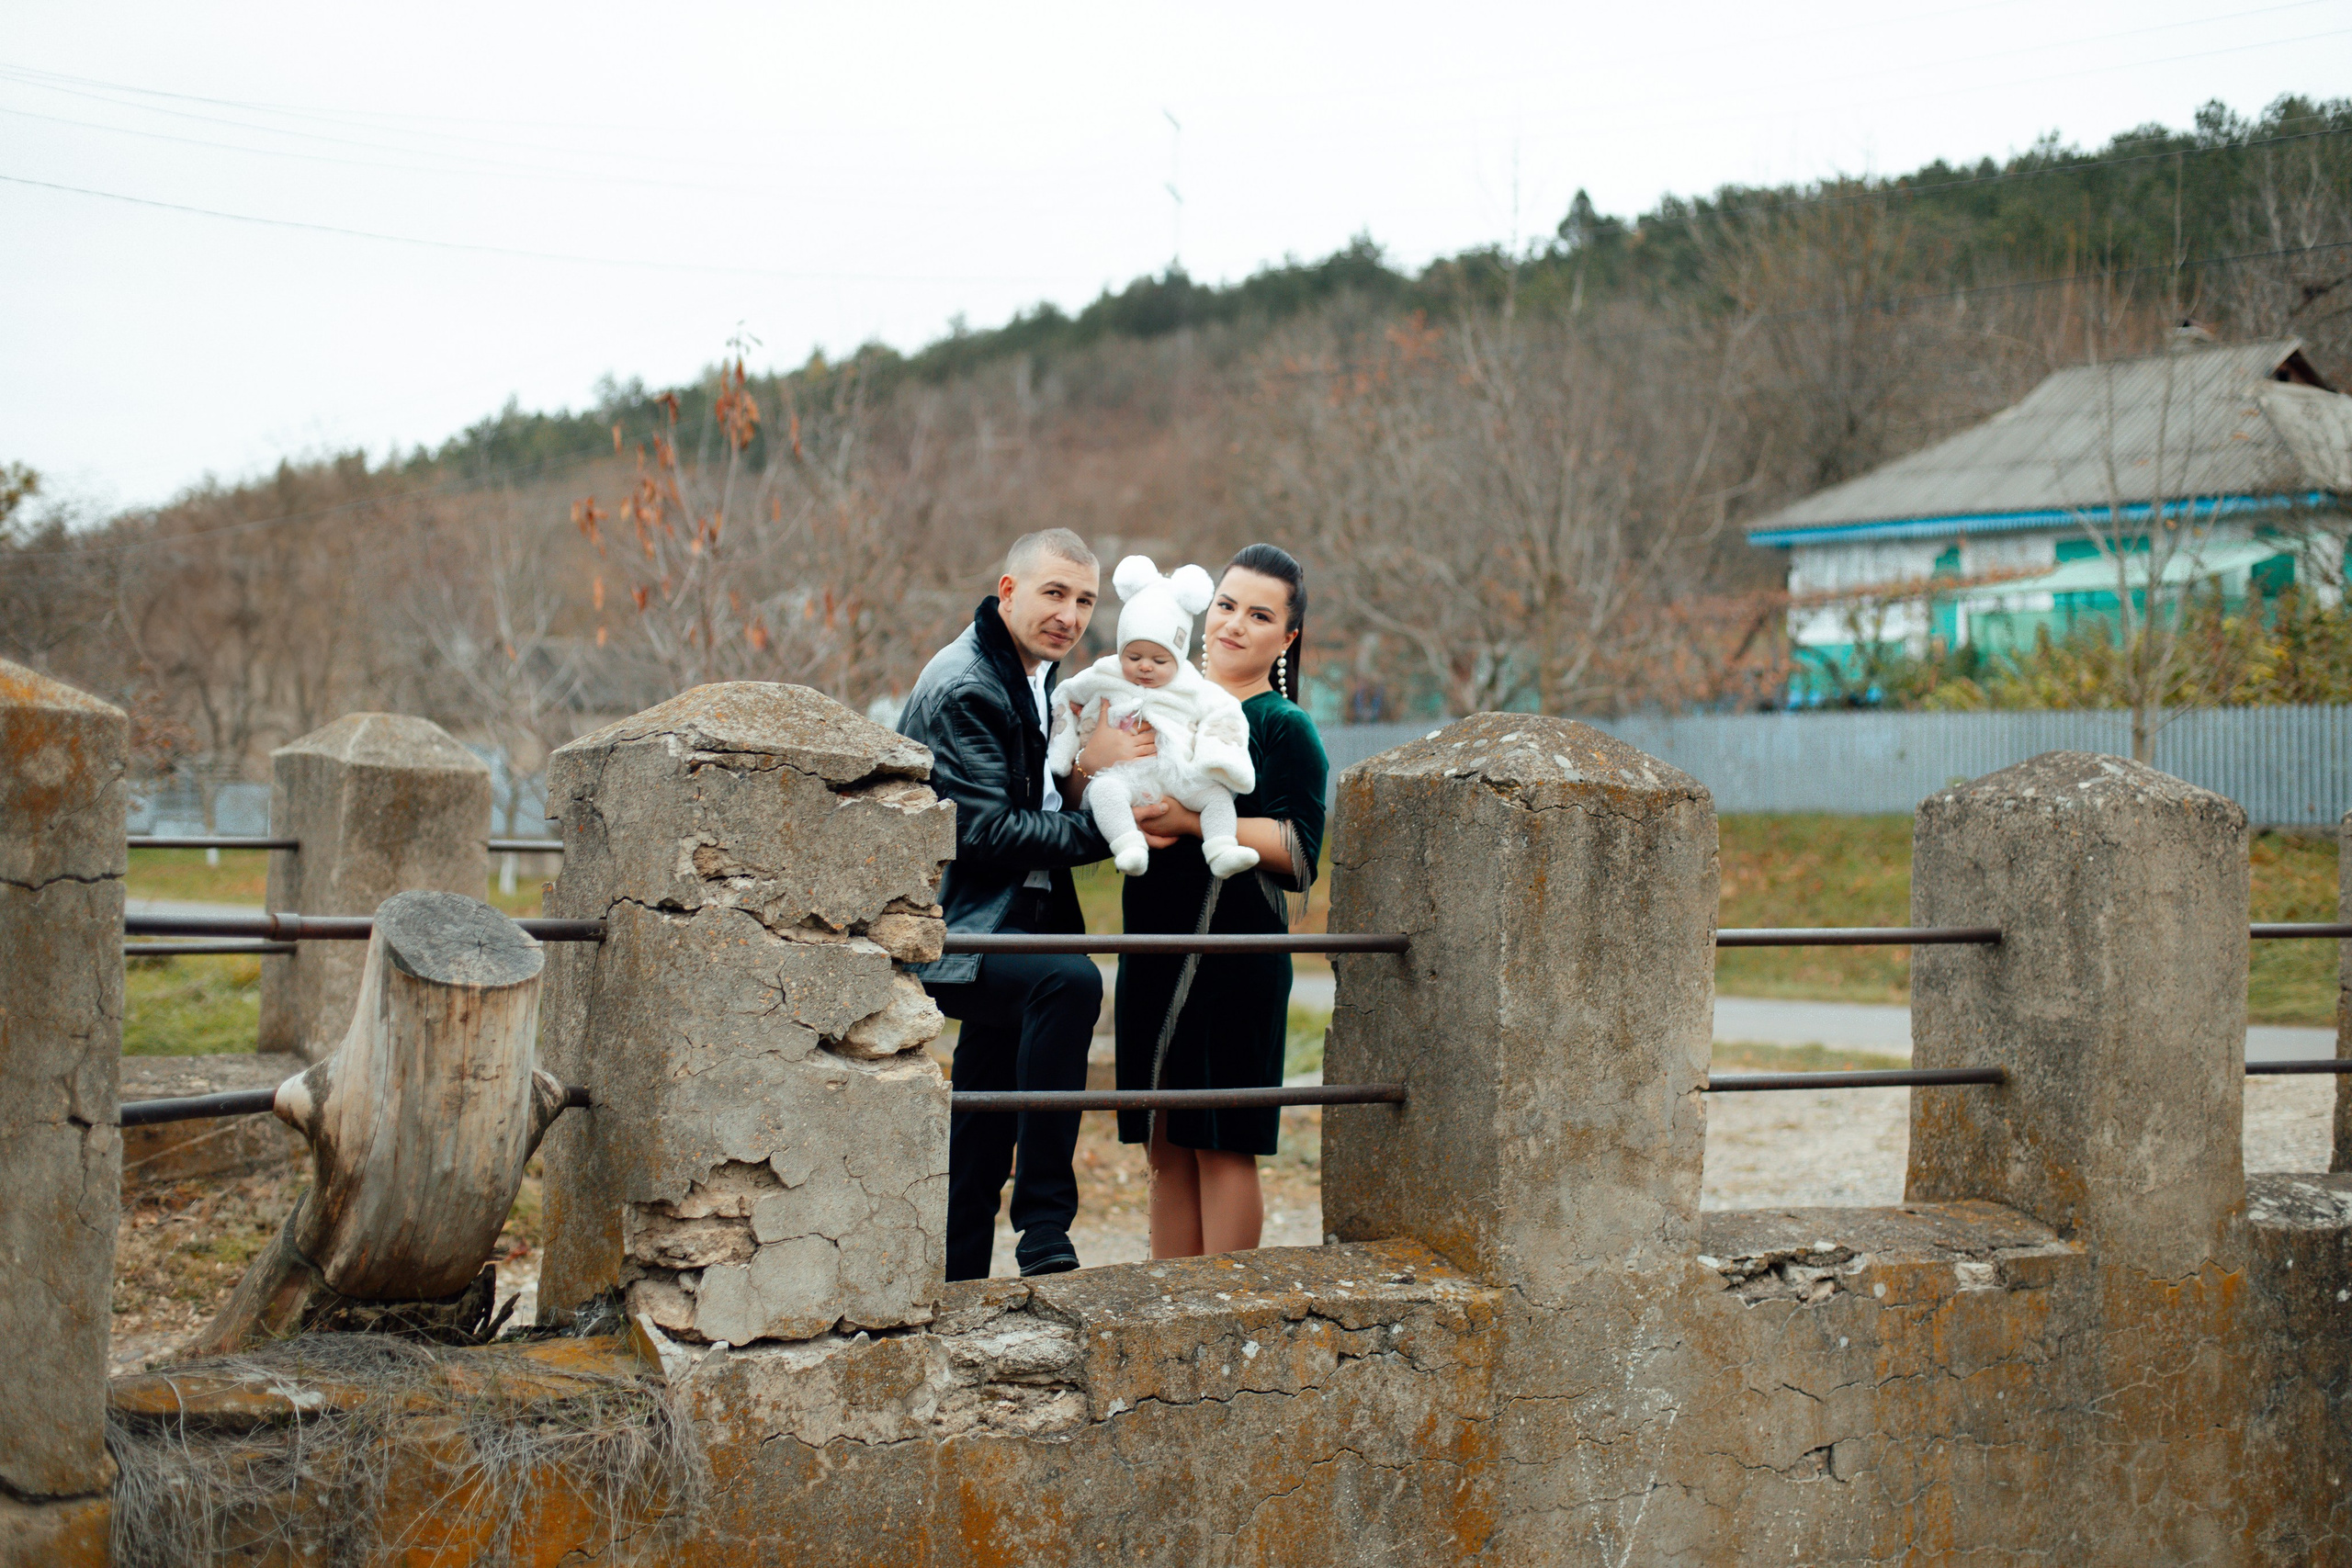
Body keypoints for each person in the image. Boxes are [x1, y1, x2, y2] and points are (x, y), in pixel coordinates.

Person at [1084, 543, 1328, 1258]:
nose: (1234, 624)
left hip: (1235, 957)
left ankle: (1227, 1316)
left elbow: (1301, 850)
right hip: (1152, 945)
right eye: (1226, 605)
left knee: (1221, 1143)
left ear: (1286, 638)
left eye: (1259, 614)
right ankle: (1171, 1315)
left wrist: (1194, 822)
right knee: (1165, 1139)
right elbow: (1092, 789)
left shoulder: (1284, 726)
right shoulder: (1146, 700)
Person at [899, 527, 1128, 1280]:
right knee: (1071, 983)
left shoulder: (1030, 674)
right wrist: (1099, 826)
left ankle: (954, 1274)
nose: (1069, 614)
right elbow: (987, 830)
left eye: (1084, 599)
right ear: (1009, 591)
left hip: (1006, 919)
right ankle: (1044, 1227)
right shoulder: (969, 682)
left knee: (985, 1100)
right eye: (1054, 593)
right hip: (963, 923)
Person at [1045, 555, 1260, 881]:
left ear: (1178, 655)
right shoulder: (1105, 674)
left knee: (1215, 796)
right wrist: (1062, 753)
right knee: (1105, 793)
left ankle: (1221, 848)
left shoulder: (1193, 687)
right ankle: (1128, 845)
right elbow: (1063, 695)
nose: (1145, 667)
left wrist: (1218, 761)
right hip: (1124, 774)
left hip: (1179, 774)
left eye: (1159, 660)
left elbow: (1226, 714)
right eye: (1134, 656)